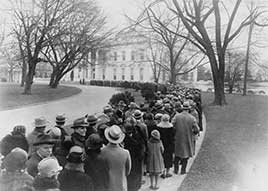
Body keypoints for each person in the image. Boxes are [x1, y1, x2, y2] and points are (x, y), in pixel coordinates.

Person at [172, 101, 200, 175]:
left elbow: (172, 125)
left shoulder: (177, 116)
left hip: (178, 137)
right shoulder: (192, 118)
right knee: (185, 155)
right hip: (188, 138)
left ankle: (175, 170)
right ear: (188, 109)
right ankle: (183, 170)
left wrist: (176, 130)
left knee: (177, 154)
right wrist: (193, 133)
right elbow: (197, 129)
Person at [102, 125, 131, 191]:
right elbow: (128, 171)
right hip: (121, 185)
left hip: (108, 185)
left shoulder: (102, 151)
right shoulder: (125, 152)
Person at [124, 122, 146, 191]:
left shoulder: (126, 138)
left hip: (134, 159)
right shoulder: (137, 135)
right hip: (134, 159)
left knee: (133, 175)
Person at [157, 114, 174, 178]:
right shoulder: (171, 128)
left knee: (162, 158)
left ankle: (163, 172)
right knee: (169, 158)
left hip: (161, 144)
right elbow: (173, 137)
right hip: (169, 145)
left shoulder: (158, 127)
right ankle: (167, 172)